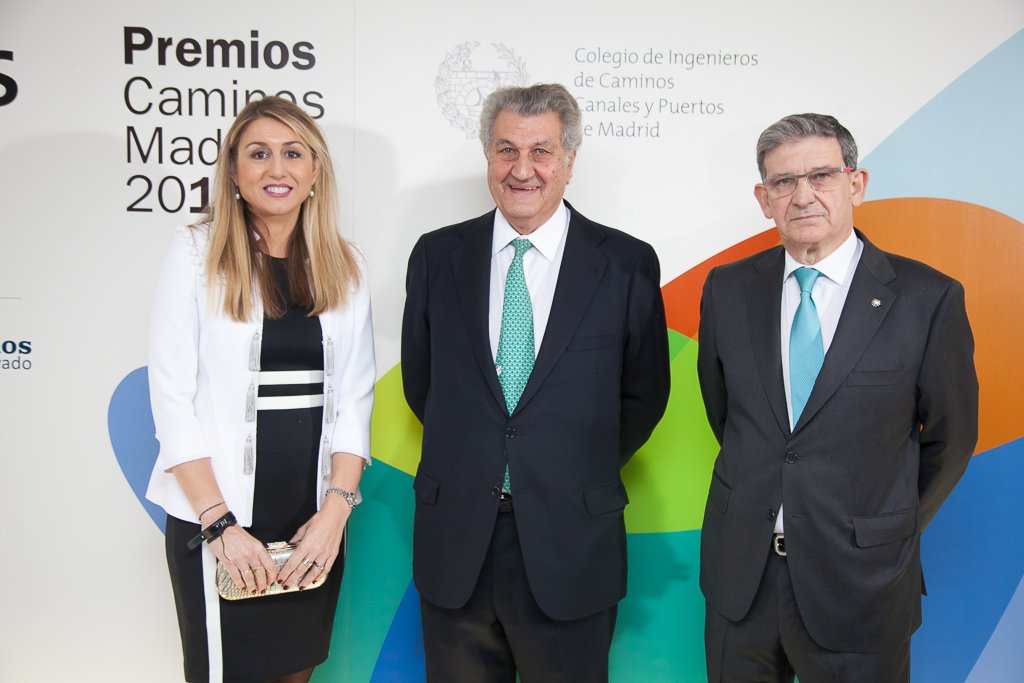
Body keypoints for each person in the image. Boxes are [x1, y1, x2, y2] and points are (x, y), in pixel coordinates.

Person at [401, 83, 671, 682]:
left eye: (541, 151)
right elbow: (424, 385)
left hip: (571, 542)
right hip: (457, 542)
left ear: (569, 160)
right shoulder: (436, 256)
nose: (522, 170)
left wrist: (563, 466)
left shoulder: (626, 263)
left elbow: (644, 395)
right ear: (488, 156)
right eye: (506, 150)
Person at [696, 113, 979, 682]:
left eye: (821, 176)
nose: (803, 195)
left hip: (863, 583)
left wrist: (883, 530)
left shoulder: (926, 298)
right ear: (764, 199)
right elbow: (728, 415)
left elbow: (951, 441)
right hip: (742, 580)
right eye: (784, 181)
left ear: (856, 184)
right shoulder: (727, 289)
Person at [146, 96, 375, 683]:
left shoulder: (346, 264)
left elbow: (355, 402)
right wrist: (219, 525)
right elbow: (171, 399)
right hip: (220, 519)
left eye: (293, 153)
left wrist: (334, 515)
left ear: (315, 170)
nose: (277, 169)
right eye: (258, 153)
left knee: (296, 671)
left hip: (311, 521)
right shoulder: (196, 252)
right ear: (233, 170)